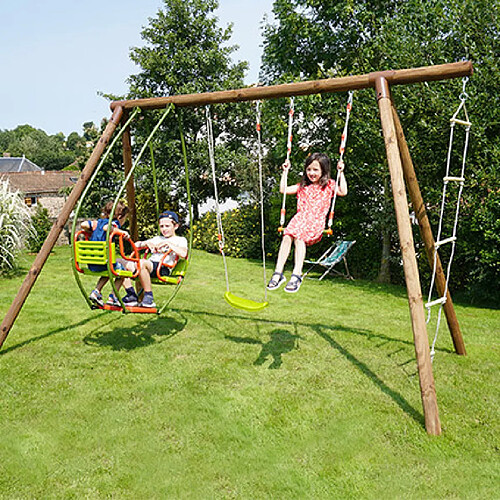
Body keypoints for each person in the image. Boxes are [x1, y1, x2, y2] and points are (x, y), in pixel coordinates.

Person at [267, 152, 348, 293]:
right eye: (309, 169)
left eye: (316, 169)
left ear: (323, 170)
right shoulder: (302, 187)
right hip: (299, 219)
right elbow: (283, 190)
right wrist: (285, 172)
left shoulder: (329, 185)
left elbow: (343, 191)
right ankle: (278, 273)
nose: (312, 173)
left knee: (299, 238)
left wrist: (341, 173)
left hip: (315, 221)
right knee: (287, 236)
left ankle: (296, 274)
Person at [120, 210, 188, 308]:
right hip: (149, 265)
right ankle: (131, 295)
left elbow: (183, 253)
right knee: (120, 262)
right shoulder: (157, 239)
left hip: (162, 268)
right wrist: (146, 243)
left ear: (176, 226)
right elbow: (135, 245)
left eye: (167, 226)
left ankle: (148, 297)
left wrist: (168, 244)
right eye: (162, 226)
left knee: (142, 263)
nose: (164, 229)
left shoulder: (180, 240)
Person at [81, 201, 129, 307]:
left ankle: (96, 292)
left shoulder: (98, 222)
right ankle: (113, 297)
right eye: (125, 218)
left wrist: (90, 231)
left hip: (92, 262)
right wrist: (121, 232)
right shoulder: (114, 223)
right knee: (122, 272)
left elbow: (83, 224)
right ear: (120, 216)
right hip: (103, 261)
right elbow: (107, 228)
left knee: (108, 270)